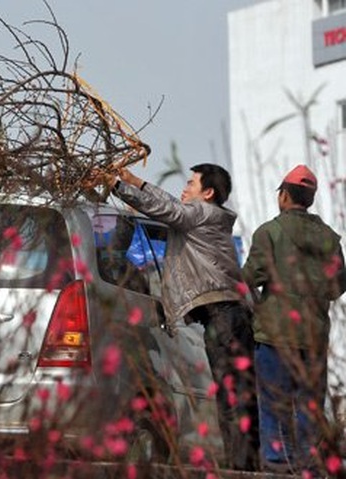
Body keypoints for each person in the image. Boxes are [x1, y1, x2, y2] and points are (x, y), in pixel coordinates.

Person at [103, 163, 260, 471]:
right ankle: (243, 466)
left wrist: (121, 185)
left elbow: (168, 209)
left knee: (233, 397)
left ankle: (242, 469)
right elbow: (169, 210)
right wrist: (131, 183)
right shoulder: (201, 220)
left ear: (208, 193)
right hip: (225, 315)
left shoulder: (205, 215)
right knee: (234, 396)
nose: (184, 189)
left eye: (191, 183)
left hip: (225, 315)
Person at [241, 164, 346, 475]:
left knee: (274, 405)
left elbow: (248, 277)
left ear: (284, 196)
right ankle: (308, 468)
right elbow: (338, 285)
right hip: (313, 338)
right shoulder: (330, 239)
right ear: (309, 199)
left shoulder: (269, 232)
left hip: (275, 336)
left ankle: (277, 466)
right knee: (308, 408)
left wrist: (259, 307)